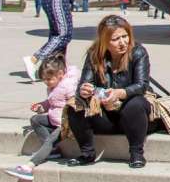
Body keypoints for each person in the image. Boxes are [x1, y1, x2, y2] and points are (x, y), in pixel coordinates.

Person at [65, 15, 153, 169]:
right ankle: (87, 153)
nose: (122, 42)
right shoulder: (94, 54)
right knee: (75, 105)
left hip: (133, 116)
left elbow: (141, 85)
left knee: (136, 103)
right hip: (105, 115)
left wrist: (119, 93)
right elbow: (85, 83)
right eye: (116, 39)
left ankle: (136, 153)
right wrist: (84, 91)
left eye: (125, 36)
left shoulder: (138, 52)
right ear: (104, 41)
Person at [4, 54, 80, 180]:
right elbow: (52, 102)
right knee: (35, 120)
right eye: (44, 79)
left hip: (65, 124)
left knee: (50, 140)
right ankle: (53, 151)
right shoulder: (53, 86)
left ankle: (29, 167)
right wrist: (41, 107)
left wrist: (71, 117)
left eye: (49, 79)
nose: (46, 82)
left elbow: (74, 103)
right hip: (54, 119)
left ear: (60, 74)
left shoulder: (68, 86)